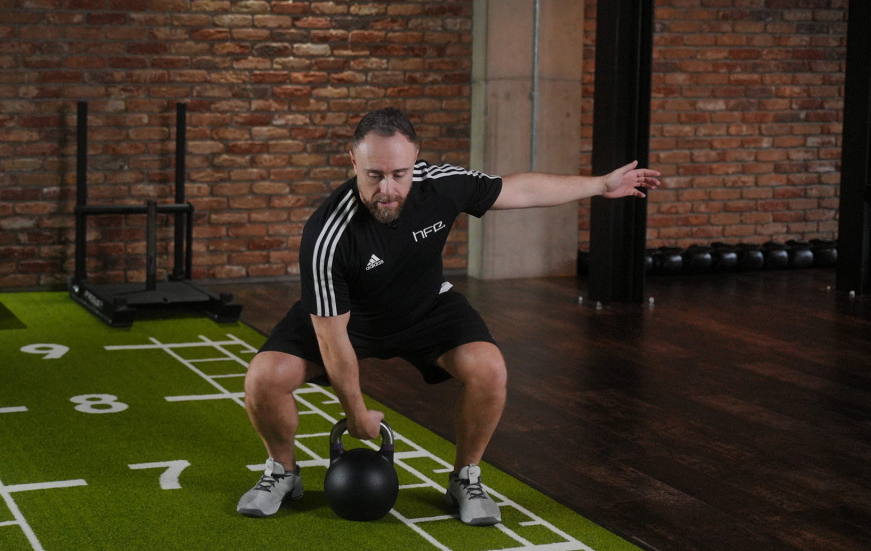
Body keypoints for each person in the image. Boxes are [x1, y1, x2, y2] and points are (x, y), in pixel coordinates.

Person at [236, 107, 660, 526]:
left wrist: (601, 184)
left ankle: (465, 477)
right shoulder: (328, 234)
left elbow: (519, 190)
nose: (387, 188)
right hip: (350, 321)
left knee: (489, 370)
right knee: (264, 377)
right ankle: (283, 472)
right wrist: (357, 413)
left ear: (415, 162)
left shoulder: (442, 186)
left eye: (399, 174)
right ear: (353, 162)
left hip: (425, 310)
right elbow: (332, 340)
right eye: (374, 175)